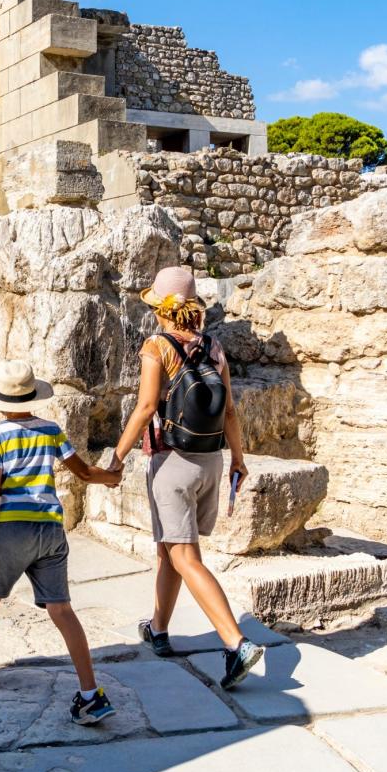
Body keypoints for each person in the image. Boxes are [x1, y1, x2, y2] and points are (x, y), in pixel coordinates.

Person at [108, 266, 263, 690]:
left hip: (171, 461)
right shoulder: (214, 347)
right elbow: (229, 410)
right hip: (210, 460)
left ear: (160, 308)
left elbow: (144, 409)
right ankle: (159, 628)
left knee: (185, 556)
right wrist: (238, 459)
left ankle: (236, 644)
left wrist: (116, 458)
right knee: (169, 548)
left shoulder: (157, 346)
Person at [0, 359, 124, 724]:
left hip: (14, 527)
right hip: (51, 528)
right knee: (61, 609)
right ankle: (91, 693)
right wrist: (109, 477)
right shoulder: (51, 430)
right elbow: (81, 471)